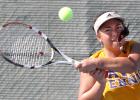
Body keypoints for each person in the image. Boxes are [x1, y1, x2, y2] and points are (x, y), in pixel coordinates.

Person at [75, 11, 140, 100]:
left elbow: (132, 65)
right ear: (99, 37)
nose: (115, 33)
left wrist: (97, 63)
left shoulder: (134, 47)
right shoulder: (93, 61)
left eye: (118, 27)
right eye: (108, 30)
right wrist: (100, 83)